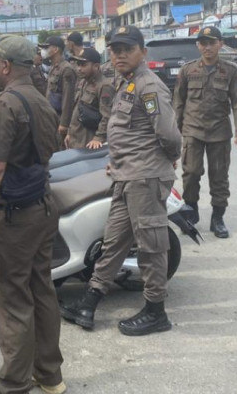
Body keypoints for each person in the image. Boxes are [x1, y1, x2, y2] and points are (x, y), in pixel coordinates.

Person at [61, 25, 181, 336]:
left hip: (145, 177)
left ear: (143, 51)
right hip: (126, 176)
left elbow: (168, 134)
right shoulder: (125, 84)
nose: (119, 55)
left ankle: (156, 311)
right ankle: (89, 301)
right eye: (115, 50)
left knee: (151, 246)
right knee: (113, 242)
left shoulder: (149, 86)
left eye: (127, 49)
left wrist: (168, 157)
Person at [0, 35, 66, 394]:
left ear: (5, 65)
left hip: (14, 215)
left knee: (11, 299)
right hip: (41, 205)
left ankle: (13, 385)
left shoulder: (3, 103)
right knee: (41, 290)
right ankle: (49, 375)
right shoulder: (39, 100)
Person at [173, 25, 237, 238]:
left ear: (220, 44)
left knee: (219, 176)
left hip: (219, 132)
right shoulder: (187, 70)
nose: (207, 47)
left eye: (212, 43)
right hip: (192, 129)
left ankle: (218, 217)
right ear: (198, 45)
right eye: (203, 43)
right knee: (191, 173)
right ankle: (191, 211)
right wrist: (174, 132)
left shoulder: (231, 71)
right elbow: (178, 102)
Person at [65, 47, 113, 150]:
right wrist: (70, 132)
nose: (79, 68)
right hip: (76, 137)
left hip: (89, 142)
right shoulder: (83, 82)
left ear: (96, 66)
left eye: (84, 65)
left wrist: (98, 137)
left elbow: (107, 116)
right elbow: (76, 110)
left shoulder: (104, 86)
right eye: (78, 65)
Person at [40, 36, 76, 146]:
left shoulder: (66, 69)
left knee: (60, 148)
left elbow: (68, 98)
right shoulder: (54, 67)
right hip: (52, 117)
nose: (44, 51)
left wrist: (64, 123)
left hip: (60, 118)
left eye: (47, 47)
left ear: (56, 50)